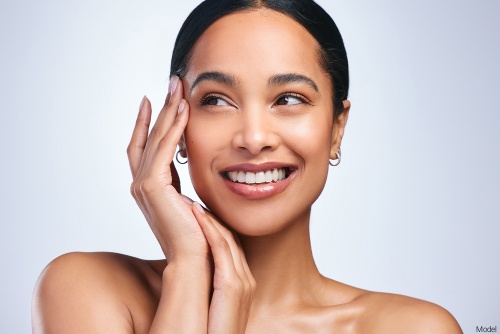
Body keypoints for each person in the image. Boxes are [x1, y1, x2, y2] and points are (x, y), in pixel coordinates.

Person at [32, 0, 463, 332]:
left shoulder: (413, 328)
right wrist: (186, 272)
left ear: (336, 128)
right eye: (216, 100)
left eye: (289, 99)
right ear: (177, 127)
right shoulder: (87, 290)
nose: (254, 138)